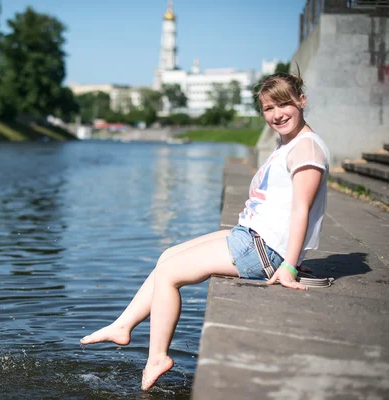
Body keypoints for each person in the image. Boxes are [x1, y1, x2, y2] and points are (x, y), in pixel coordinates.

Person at [79, 71, 330, 390]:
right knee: (168, 255)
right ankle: (123, 325)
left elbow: (301, 211)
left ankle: (157, 356)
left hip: (262, 249)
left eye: (283, 104)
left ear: (301, 101)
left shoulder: (306, 149)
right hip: (252, 237)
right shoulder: (291, 143)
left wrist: (289, 266)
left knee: (170, 273)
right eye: (268, 108)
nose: (276, 114)